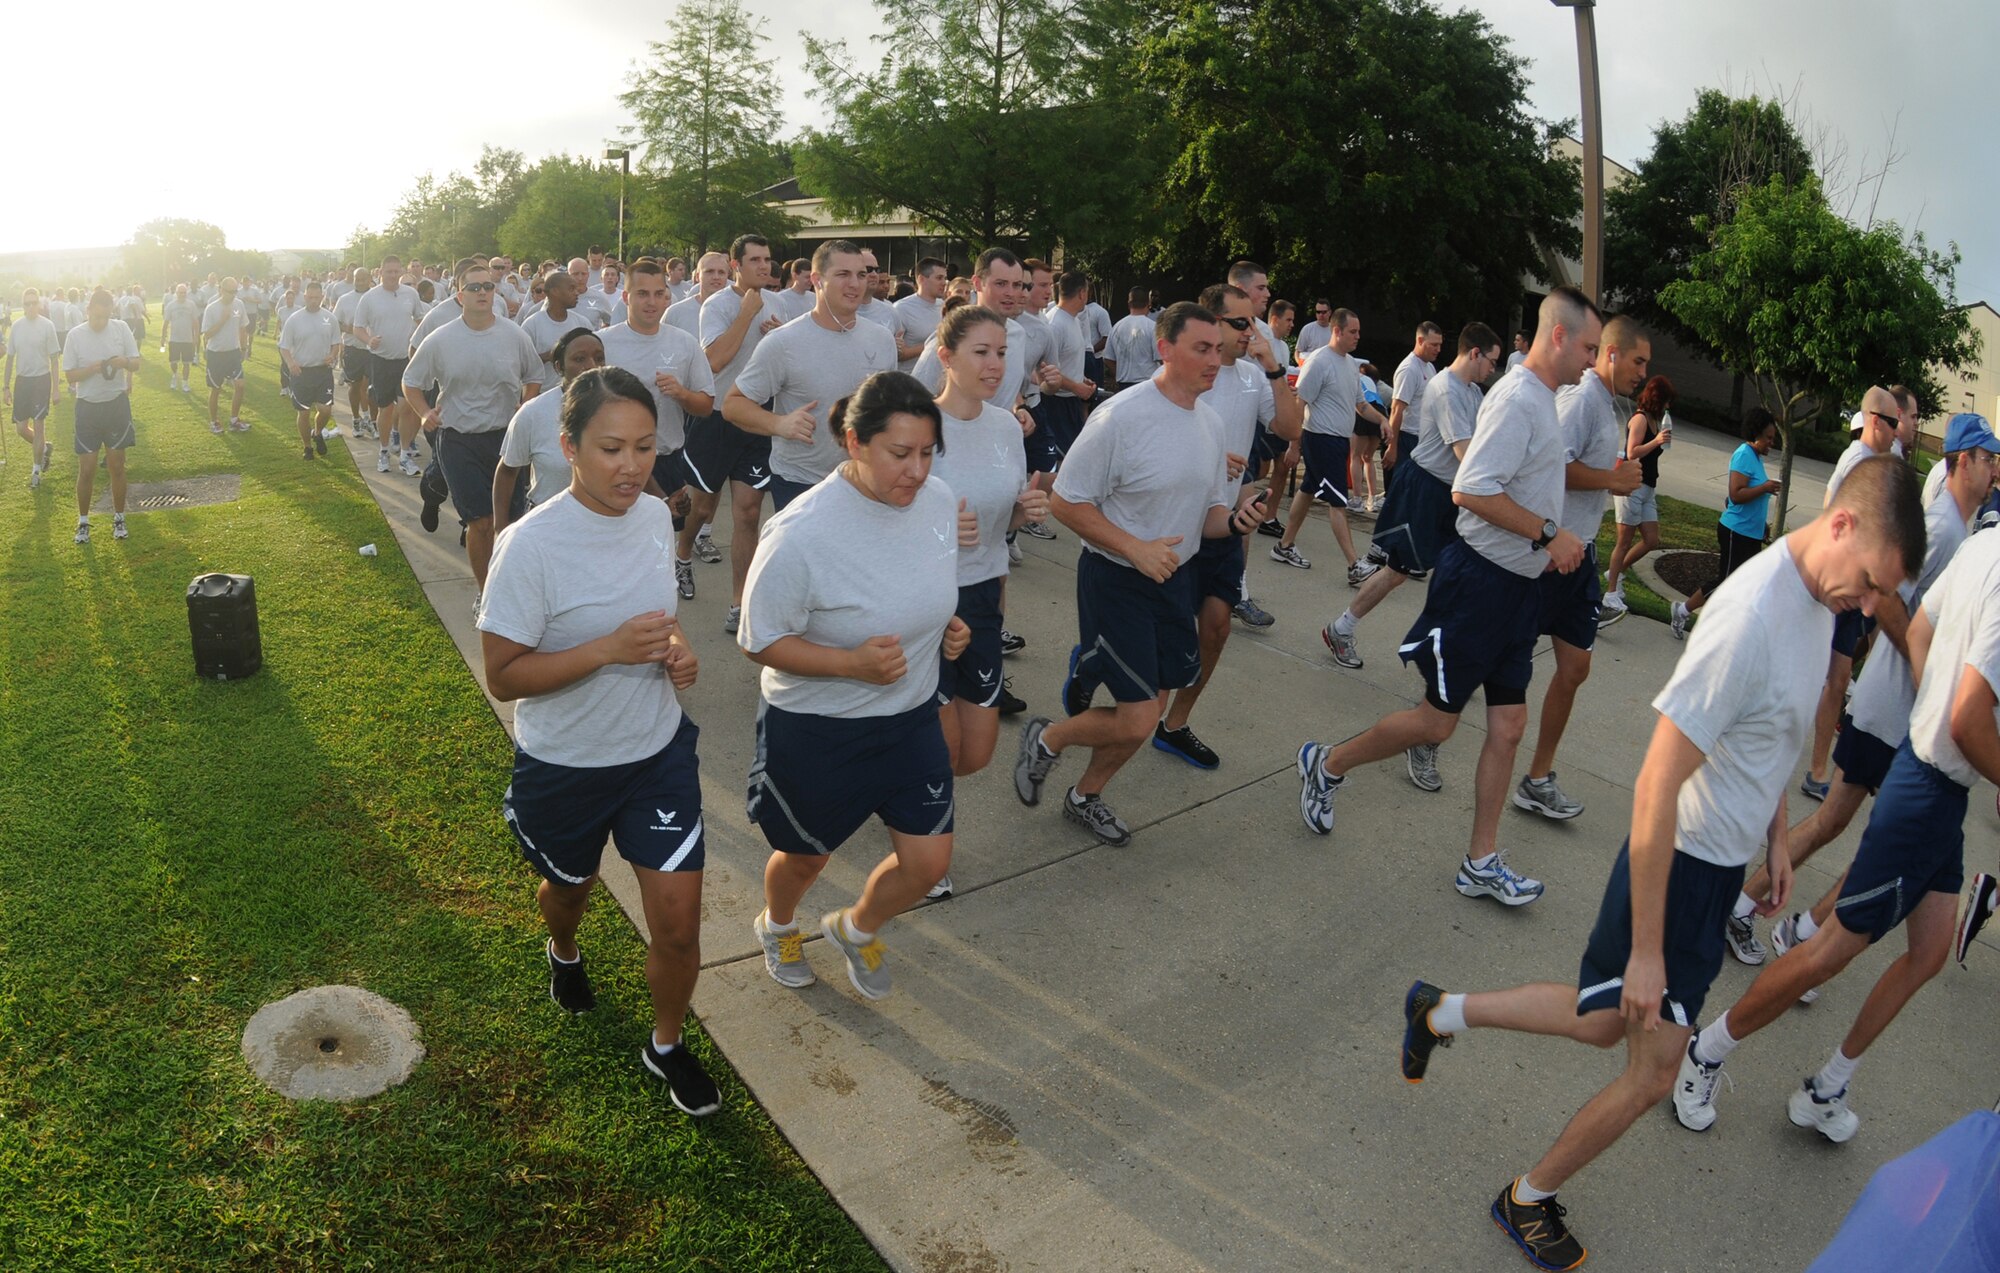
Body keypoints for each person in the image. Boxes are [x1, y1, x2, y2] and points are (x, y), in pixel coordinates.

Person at [1398, 454, 1922, 1272]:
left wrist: (1779, 833)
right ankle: (1526, 1197)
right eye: (1869, 582)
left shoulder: (1822, 598)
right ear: (1843, 525)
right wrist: (1648, 945)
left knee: (1602, 1019)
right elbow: (1653, 784)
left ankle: (1440, 1010)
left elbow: (1771, 729)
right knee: (1654, 1069)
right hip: (1675, 863)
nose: (1869, 604)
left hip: (1715, 868)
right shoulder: (1750, 614)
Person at [1296, 288, 1602, 906]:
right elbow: (1471, 491)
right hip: (1480, 584)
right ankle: (1327, 764)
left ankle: (1480, 863)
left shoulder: (1542, 399)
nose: (1594, 361)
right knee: (1437, 723)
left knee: (1508, 726)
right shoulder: (1518, 400)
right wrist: (1548, 532)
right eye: (1590, 347)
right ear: (1561, 337)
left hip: (1519, 588)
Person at [476, 365, 718, 1117]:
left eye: (645, 446)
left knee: (678, 923)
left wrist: (676, 649)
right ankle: (565, 950)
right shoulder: (529, 545)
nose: (632, 465)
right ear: (568, 447)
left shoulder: (652, 516)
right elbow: (504, 675)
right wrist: (608, 649)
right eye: (611, 447)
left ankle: (667, 1045)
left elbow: (656, 618)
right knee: (568, 893)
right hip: (566, 763)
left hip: (655, 752)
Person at [1720, 413, 1995, 969]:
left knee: (1856, 830)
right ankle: (1781, 925)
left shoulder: (1961, 529)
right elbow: (1892, 601)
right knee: (1865, 835)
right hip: (1895, 711)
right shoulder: (1942, 528)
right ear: (1961, 461)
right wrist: (1929, 672)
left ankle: (1781, 922)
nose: (1995, 470)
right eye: (1988, 459)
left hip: (1903, 713)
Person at [740, 371, 971, 1000]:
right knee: (806, 858)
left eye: (927, 453)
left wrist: (946, 626)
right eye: (900, 454)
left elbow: (925, 589)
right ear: (854, 443)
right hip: (819, 728)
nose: (917, 471)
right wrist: (849, 664)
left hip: (910, 716)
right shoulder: (801, 534)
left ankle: (856, 927)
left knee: (928, 865)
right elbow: (758, 639)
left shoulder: (937, 503)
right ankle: (778, 924)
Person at [1012, 303, 1267, 845]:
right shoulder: (1121, 417)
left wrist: (1236, 520)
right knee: (1136, 718)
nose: (1214, 360)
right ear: (1164, 348)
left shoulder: (1210, 423)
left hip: (1173, 578)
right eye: (1201, 348)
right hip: (1115, 577)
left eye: (1217, 350)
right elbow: (1064, 501)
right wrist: (1135, 548)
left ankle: (1084, 795)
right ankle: (1049, 737)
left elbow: (1207, 517)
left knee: (1150, 709)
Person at [1321, 323, 1500, 730]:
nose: (1493, 368)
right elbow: (1466, 452)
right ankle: (1342, 629)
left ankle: (1447, 663)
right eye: (1491, 360)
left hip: (1451, 493)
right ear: (1474, 354)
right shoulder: (1448, 390)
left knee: (1457, 574)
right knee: (1400, 571)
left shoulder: (1471, 391)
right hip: (1427, 490)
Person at [929, 306, 1051, 895]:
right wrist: (932, 530)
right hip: (920, 600)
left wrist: (1021, 517)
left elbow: (1000, 524)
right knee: (942, 744)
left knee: (975, 753)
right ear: (946, 356)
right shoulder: (916, 426)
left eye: (1002, 352)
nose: (995, 364)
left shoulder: (1006, 426)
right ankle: (924, 848)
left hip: (981, 596)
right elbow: (871, 510)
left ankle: (900, 787)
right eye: (982, 352)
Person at [1153, 284, 1300, 767]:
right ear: (1210, 322)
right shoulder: (1182, 373)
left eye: (1251, 321)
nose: (1250, 332)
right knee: (1163, 636)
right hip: (1173, 523)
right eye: (1240, 323)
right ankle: (1103, 674)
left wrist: (1274, 367)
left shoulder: (1255, 377)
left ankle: (1174, 725)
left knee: (1215, 628)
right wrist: (1210, 452)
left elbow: (1289, 429)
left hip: (1223, 522)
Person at [1513, 317, 1650, 822]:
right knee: (1500, 660)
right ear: (1610, 354)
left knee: (1575, 667)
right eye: (1638, 361)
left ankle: (1538, 778)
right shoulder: (1581, 400)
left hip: (1580, 559)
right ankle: (1432, 725)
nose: (1643, 373)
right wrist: (1612, 482)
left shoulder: (1605, 403)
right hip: (1546, 556)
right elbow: (1552, 464)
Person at [725, 239, 898, 512]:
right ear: (816, 280)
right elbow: (732, 405)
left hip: (863, 481)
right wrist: (778, 424)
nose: (855, 284)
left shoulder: (881, 338)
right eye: (843, 274)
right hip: (801, 484)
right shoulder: (783, 342)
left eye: (861, 275)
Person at [401, 263, 544, 588]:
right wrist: (424, 412)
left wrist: (525, 404)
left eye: (488, 287)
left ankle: (506, 584)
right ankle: (486, 591)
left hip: (505, 440)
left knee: (506, 523)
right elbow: (410, 382)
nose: (483, 292)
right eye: (475, 288)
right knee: (480, 522)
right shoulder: (442, 338)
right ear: (460, 294)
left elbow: (534, 375)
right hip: (458, 440)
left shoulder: (513, 334)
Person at [1801, 387, 1905, 798]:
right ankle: (1815, 768)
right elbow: (1832, 512)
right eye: (1894, 423)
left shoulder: (1874, 462)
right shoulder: (1857, 461)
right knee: (1826, 676)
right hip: (1833, 586)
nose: (1898, 432)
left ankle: (1817, 768)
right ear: (1875, 420)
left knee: (1838, 676)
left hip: (1850, 586)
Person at [596, 257, 717, 602]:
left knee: (666, 533)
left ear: (668, 297)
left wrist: (681, 394)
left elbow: (706, 405)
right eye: (642, 294)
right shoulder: (604, 344)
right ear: (626, 297)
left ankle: (677, 566)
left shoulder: (683, 343)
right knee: (621, 536)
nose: (651, 302)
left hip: (667, 457)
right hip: (615, 458)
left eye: (658, 294)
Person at [689, 234, 786, 633]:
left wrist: (779, 336)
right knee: (700, 508)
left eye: (768, 259)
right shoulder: (717, 305)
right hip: (716, 417)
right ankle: (683, 553)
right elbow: (713, 361)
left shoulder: (780, 303)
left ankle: (739, 603)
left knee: (747, 513)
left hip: (757, 419)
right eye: (756, 260)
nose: (765, 267)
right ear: (736, 266)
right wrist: (746, 314)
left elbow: (786, 360)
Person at [1271, 307, 1391, 584]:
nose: (1357, 337)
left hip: (1338, 441)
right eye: (1353, 332)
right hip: (1320, 439)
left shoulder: (1350, 364)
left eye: (1359, 332)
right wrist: (1294, 444)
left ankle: (1284, 545)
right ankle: (1354, 565)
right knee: (1337, 502)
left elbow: (1361, 405)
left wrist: (1382, 420)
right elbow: (1300, 403)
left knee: (1308, 489)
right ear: (1336, 331)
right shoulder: (1318, 361)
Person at [1671, 409, 1784, 638]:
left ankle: (1726, 630)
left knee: (1747, 585)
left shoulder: (1756, 459)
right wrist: (1765, 487)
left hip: (1751, 534)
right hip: (1735, 531)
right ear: (1756, 434)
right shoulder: (1744, 454)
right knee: (1726, 582)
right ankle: (1682, 611)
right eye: (1769, 438)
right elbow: (1735, 494)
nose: (1771, 443)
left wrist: (1762, 525)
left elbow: (1751, 498)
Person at [495, 329, 605, 536]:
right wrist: (500, 529)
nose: (591, 366)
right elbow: (507, 471)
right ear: (559, 367)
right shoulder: (534, 413)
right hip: (547, 527)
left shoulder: (619, 411)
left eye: (599, 358)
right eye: (579, 359)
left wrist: (663, 499)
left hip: (602, 527)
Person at [62, 290, 142, 543]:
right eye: (96, 317)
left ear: (111, 312)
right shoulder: (75, 335)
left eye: (104, 317)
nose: (100, 322)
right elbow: (70, 376)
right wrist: (92, 369)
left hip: (116, 405)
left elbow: (137, 362)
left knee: (117, 466)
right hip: (88, 408)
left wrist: (124, 362)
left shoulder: (120, 329)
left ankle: (119, 517)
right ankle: (83, 522)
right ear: (88, 310)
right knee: (86, 469)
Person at [1600, 375, 1676, 619]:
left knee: (1651, 539)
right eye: (1665, 401)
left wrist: (1659, 441)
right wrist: (1656, 441)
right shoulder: (1641, 418)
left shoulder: (1656, 420)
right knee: (1623, 541)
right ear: (1657, 398)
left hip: (1648, 487)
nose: (1668, 406)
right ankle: (1610, 593)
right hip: (1632, 485)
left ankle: (1616, 572)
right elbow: (1632, 452)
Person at [355, 256, 428, 476]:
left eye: (397, 272)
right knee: (386, 408)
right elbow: (358, 328)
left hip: (406, 360)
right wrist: (369, 340)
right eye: (389, 272)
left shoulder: (410, 294)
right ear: (380, 273)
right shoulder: (369, 298)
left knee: (406, 407)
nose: (393, 276)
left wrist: (417, 336)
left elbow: (421, 319)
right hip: (380, 360)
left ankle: (405, 454)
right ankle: (384, 451)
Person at [278, 280, 341, 460]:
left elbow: (336, 342)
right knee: (303, 412)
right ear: (304, 297)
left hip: (322, 371)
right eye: (310, 297)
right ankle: (307, 447)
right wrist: (291, 364)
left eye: (317, 298)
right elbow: (284, 346)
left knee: (325, 410)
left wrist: (332, 354)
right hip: (301, 372)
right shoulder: (294, 319)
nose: (314, 301)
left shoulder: (330, 318)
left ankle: (318, 432)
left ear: (322, 297)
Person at [5, 288, 61, 487]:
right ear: (23, 305)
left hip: (41, 380)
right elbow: (10, 358)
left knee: (39, 425)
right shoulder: (17, 327)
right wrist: (5, 387)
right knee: (21, 429)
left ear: (39, 304)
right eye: (26, 303)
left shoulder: (47, 326)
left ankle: (36, 471)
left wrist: (55, 388)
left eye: (33, 302)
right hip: (22, 381)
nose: (30, 307)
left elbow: (54, 359)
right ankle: (45, 448)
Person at [1380, 322, 1442, 498]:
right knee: (1402, 493)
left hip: (1422, 439)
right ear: (1420, 340)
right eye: (1434, 345)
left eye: (1440, 345)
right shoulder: (1409, 369)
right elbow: (1397, 410)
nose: (1438, 349)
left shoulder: (1429, 367)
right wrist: (1392, 447)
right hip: (1406, 439)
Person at [521, 269, 596, 392]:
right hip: (542, 396)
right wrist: (552, 355)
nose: (577, 293)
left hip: (578, 394)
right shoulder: (532, 324)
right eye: (571, 289)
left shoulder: (582, 323)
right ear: (555, 292)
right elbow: (522, 364)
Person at [201, 278, 250, 434]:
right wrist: (222, 320)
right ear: (221, 290)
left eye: (236, 291)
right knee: (216, 389)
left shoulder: (239, 304)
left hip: (233, 353)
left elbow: (243, 327)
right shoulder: (211, 308)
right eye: (231, 291)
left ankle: (234, 420)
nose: (234, 295)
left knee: (240, 385)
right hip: (216, 354)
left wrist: (243, 348)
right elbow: (207, 334)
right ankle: (214, 421)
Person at [332, 268, 375, 440]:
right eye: (357, 279)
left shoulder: (377, 297)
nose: (360, 282)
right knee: (354, 386)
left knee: (370, 388)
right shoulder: (345, 299)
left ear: (370, 279)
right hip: (353, 348)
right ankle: (356, 418)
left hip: (372, 348)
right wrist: (348, 329)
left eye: (364, 279)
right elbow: (336, 321)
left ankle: (371, 420)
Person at [892, 257, 946, 374]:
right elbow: (896, 354)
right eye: (939, 278)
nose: (944, 283)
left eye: (945, 278)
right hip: (910, 381)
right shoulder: (901, 309)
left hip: (939, 380)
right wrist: (935, 344)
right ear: (921, 279)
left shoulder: (944, 306)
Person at [1105, 287, 1157, 390]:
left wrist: (1119, 374)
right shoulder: (1153, 327)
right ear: (1148, 304)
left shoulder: (1117, 327)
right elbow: (1162, 358)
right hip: (1147, 384)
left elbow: (1108, 359)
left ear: (1129, 304)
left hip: (1123, 384)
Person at [161, 283, 201, 393]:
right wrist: (163, 337)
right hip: (174, 339)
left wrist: (196, 336)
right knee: (173, 362)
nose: (182, 295)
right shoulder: (171, 305)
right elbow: (165, 322)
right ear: (176, 293)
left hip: (187, 339)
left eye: (184, 293)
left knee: (186, 363)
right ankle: (174, 376)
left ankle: (185, 383)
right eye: (180, 293)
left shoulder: (191, 305)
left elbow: (196, 322)